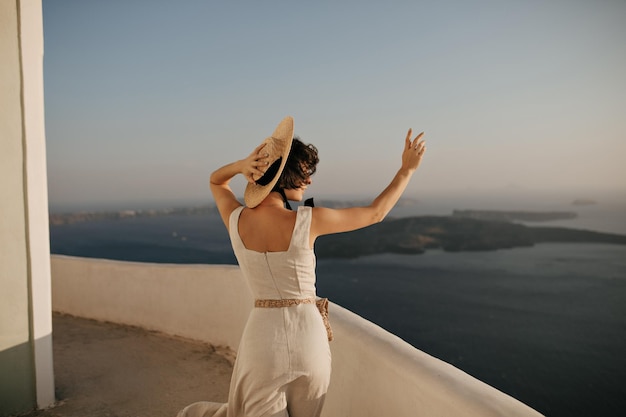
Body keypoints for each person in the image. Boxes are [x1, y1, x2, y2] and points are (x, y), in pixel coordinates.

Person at [176, 116, 426, 417]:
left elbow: (216, 180)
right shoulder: (306, 221)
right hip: (309, 338)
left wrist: (242, 165)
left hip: (262, 340)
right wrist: (406, 169)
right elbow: (375, 213)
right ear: (284, 176)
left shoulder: (235, 220)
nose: (309, 181)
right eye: (304, 173)